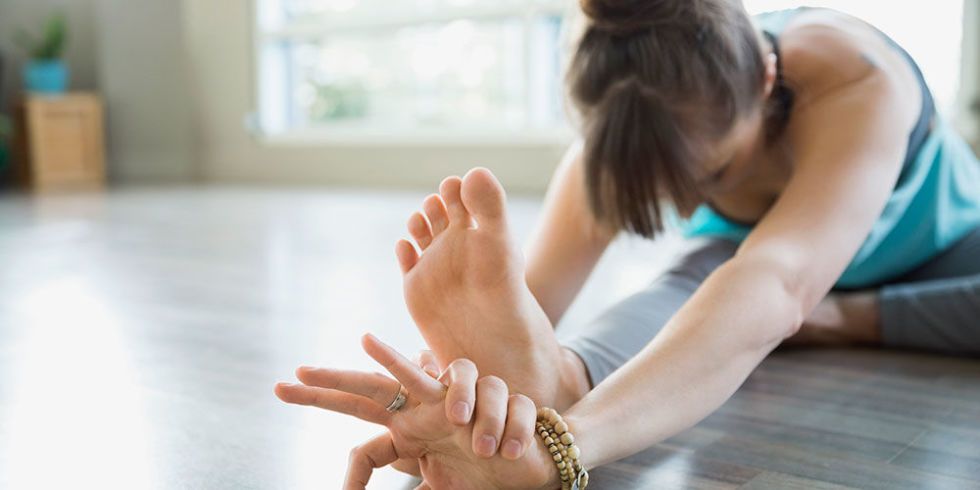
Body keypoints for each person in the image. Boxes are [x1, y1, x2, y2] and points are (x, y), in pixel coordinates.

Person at [278, 1, 980, 487]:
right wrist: (478, 404)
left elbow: (778, 281)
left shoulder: (856, 75)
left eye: (710, 176)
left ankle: (845, 322)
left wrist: (565, 448)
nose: (684, 204)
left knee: (745, 299)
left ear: (768, 81)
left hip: (943, 252)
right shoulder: (629, 105)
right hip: (742, 263)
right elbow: (527, 312)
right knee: (685, 294)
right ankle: (578, 375)